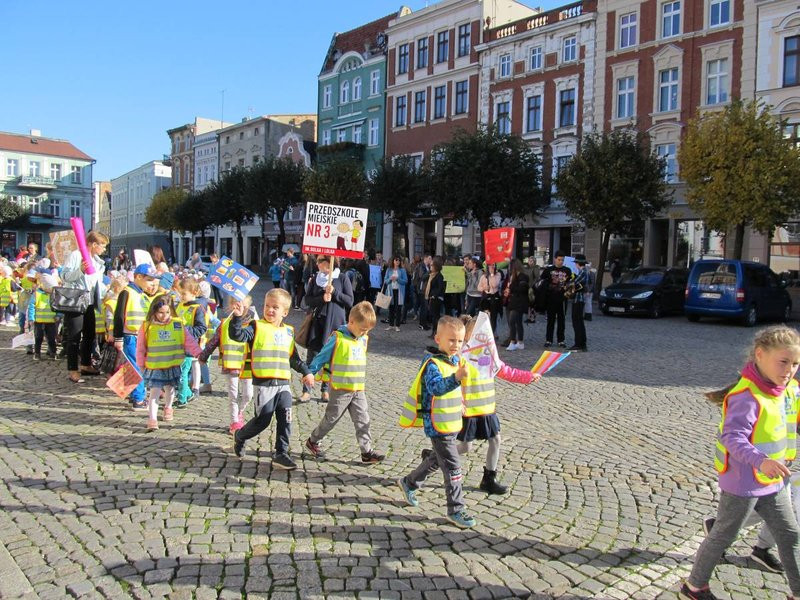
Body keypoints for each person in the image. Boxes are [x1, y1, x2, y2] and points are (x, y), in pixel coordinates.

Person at [680, 326, 800, 600]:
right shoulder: (746, 396)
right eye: (783, 362)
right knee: (723, 535)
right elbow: (732, 438)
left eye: (795, 364)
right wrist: (761, 461)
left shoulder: (789, 390)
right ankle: (694, 586)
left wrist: (770, 466)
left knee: (790, 534)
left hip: (774, 480)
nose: (789, 369)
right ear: (760, 355)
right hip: (743, 482)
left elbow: (791, 421)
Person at [397, 316, 476, 529]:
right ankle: (456, 509)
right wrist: (456, 378)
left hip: (451, 422)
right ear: (438, 339)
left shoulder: (456, 361)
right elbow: (436, 388)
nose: (456, 346)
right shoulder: (432, 364)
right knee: (452, 466)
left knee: (435, 460)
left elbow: (454, 390)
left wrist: (461, 402)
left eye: (459, 341)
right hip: (437, 425)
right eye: (451, 340)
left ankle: (409, 482)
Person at [228, 288, 315, 470]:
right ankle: (241, 435)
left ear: (285, 312)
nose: (270, 310)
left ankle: (281, 453)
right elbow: (238, 336)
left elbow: (293, 358)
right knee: (263, 420)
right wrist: (236, 317)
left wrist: (306, 372)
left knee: (286, 418)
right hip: (264, 384)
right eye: (267, 305)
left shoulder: (289, 332)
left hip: (283, 384)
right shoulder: (256, 326)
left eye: (275, 307)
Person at [458, 315, 541, 494]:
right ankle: (434, 457)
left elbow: (506, 371)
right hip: (468, 411)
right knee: (465, 447)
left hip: (487, 410)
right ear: (467, 336)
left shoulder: (489, 357)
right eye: (477, 334)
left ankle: (489, 479)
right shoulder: (461, 356)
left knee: (495, 440)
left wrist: (528, 377)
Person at [303, 301, 385, 463]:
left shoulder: (362, 339)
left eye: (367, 330)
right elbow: (321, 356)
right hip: (340, 389)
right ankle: (313, 441)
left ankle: (366, 452)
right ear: (351, 321)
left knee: (363, 419)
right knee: (331, 419)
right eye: (362, 329)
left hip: (358, 389)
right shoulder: (338, 338)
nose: (364, 333)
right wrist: (310, 372)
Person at [136, 294, 202, 431]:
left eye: (167, 312)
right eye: (160, 312)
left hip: (172, 364)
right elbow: (141, 347)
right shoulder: (147, 326)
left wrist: (199, 353)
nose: (164, 315)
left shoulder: (177, 324)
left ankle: (168, 407)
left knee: (170, 389)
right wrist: (140, 364)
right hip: (155, 366)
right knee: (154, 392)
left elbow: (188, 341)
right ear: (154, 311)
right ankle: (152, 419)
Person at [199, 296, 257, 434]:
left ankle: (240, 412)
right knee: (232, 395)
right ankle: (234, 421)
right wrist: (204, 355)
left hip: (247, 365)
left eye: (241, 304)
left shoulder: (253, 325)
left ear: (247, 305)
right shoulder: (224, 324)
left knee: (248, 394)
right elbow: (214, 341)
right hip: (230, 364)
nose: (238, 306)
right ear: (230, 306)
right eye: (234, 303)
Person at [300, 255, 354, 403]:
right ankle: (307, 390)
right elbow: (307, 299)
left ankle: (325, 389)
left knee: (331, 359)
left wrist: (335, 292)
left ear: (329, 262)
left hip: (335, 324)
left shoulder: (342, 278)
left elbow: (349, 301)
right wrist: (321, 298)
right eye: (317, 261)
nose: (317, 263)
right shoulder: (315, 278)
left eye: (320, 261)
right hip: (317, 323)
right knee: (313, 357)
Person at [61, 231, 109, 383]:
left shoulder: (97, 261)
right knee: (74, 336)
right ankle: (72, 369)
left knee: (89, 334)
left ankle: (86, 364)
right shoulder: (76, 255)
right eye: (103, 246)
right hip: (75, 300)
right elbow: (65, 276)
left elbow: (96, 284)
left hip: (89, 301)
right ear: (94, 244)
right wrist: (80, 270)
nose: (104, 249)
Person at [113, 263, 159, 407]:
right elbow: (119, 316)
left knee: (134, 366)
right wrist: (118, 338)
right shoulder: (127, 292)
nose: (152, 283)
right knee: (137, 366)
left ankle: (134, 394)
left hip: (138, 336)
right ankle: (139, 398)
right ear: (138, 277)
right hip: (130, 336)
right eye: (149, 279)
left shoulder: (141, 294)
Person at [175, 278, 209, 407]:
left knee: (183, 373)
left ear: (194, 292)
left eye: (184, 294)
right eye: (180, 293)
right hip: (177, 344)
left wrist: (185, 328)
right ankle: (188, 393)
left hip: (189, 346)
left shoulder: (198, 308)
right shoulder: (180, 305)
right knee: (178, 372)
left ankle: (182, 399)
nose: (181, 296)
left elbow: (201, 328)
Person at [539, 251, 572, 348]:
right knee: (550, 320)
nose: (561, 262)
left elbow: (570, 283)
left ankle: (561, 340)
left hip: (562, 299)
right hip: (551, 299)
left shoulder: (567, 270)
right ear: (555, 259)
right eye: (559, 259)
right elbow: (542, 281)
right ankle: (549, 339)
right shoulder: (549, 270)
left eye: (562, 260)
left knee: (561, 320)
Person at [27, 273, 59, 360]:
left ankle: (53, 352)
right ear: (44, 286)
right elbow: (31, 306)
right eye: (50, 288)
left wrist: (58, 315)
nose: (52, 290)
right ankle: (37, 353)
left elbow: (58, 307)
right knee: (38, 338)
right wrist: (31, 318)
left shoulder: (54, 295)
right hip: (38, 321)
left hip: (51, 321)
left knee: (52, 338)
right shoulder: (37, 294)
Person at [504, 259, 530, 351]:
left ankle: (512, 341)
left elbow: (522, 289)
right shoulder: (513, 276)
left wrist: (511, 287)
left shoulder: (523, 276)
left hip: (520, 302)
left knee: (512, 321)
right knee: (518, 322)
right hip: (514, 301)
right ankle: (520, 342)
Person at [569, 254, 590, 352]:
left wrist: (570, 281)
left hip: (578, 299)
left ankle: (579, 344)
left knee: (576, 322)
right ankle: (582, 343)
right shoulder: (584, 271)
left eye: (576, 263)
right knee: (579, 322)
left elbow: (573, 283)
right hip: (579, 299)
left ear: (578, 263)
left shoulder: (582, 272)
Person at [477, 262, 503, 335]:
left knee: (493, 317)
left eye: (493, 266)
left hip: (494, 297)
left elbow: (495, 284)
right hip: (486, 297)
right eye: (490, 266)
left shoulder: (498, 275)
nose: (492, 267)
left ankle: (492, 333)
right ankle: (485, 332)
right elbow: (478, 287)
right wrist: (484, 287)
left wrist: (491, 275)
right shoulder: (483, 276)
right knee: (485, 316)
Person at [383, 256, 408, 332]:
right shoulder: (389, 270)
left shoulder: (402, 270)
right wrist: (390, 279)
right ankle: (390, 325)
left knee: (398, 308)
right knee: (391, 308)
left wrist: (398, 279)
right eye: (396, 260)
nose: (397, 262)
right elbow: (385, 281)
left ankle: (397, 325)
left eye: (399, 260)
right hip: (390, 291)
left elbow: (405, 281)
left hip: (399, 291)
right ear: (393, 261)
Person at [425, 257, 445, 337]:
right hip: (432, 298)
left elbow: (440, 288)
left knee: (436, 316)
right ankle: (434, 332)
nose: (430, 267)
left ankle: (436, 332)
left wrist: (434, 295)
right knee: (434, 316)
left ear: (436, 266)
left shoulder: (439, 276)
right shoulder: (432, 275)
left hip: (436, 299)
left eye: (432, 266)